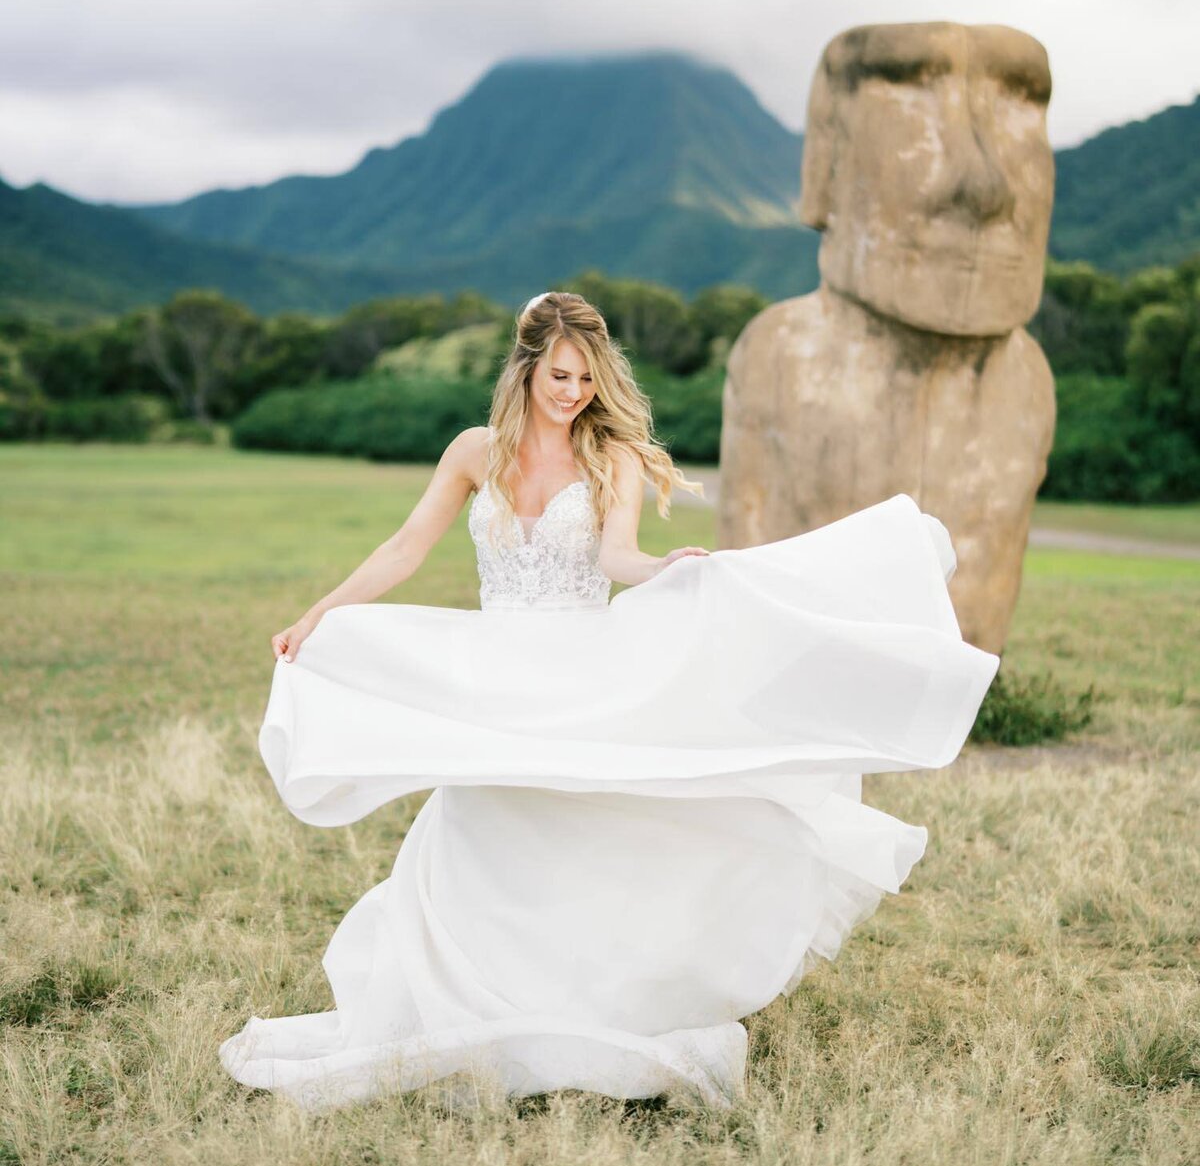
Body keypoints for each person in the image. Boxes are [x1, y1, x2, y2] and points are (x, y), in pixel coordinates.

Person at [220, 290, 999, 1112]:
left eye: (586, 380)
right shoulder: (471, 452)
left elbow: (619, 558)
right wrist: (319, 614)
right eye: (559, 375)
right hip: (493, 678)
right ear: (525, 366)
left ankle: (587, 1005)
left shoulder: (611, 458)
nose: (572, 393)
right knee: (480, 827)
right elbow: (405, 547)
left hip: (578, 669)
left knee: (580, 829)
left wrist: (671, 570)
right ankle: (482, 1010)